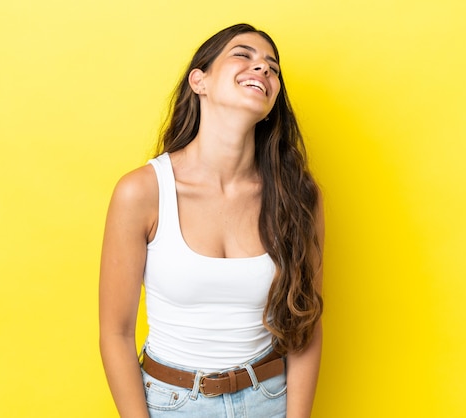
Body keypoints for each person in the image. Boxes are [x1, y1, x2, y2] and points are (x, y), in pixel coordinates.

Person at [99, 23, 324, 418]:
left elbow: (305, 327)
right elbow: (115, 334)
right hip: (170, 404)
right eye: (244, 55)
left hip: (269, 401)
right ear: (198, 81)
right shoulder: (143, 192)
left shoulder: (297, 196)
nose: (264, 70)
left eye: (273, 67)